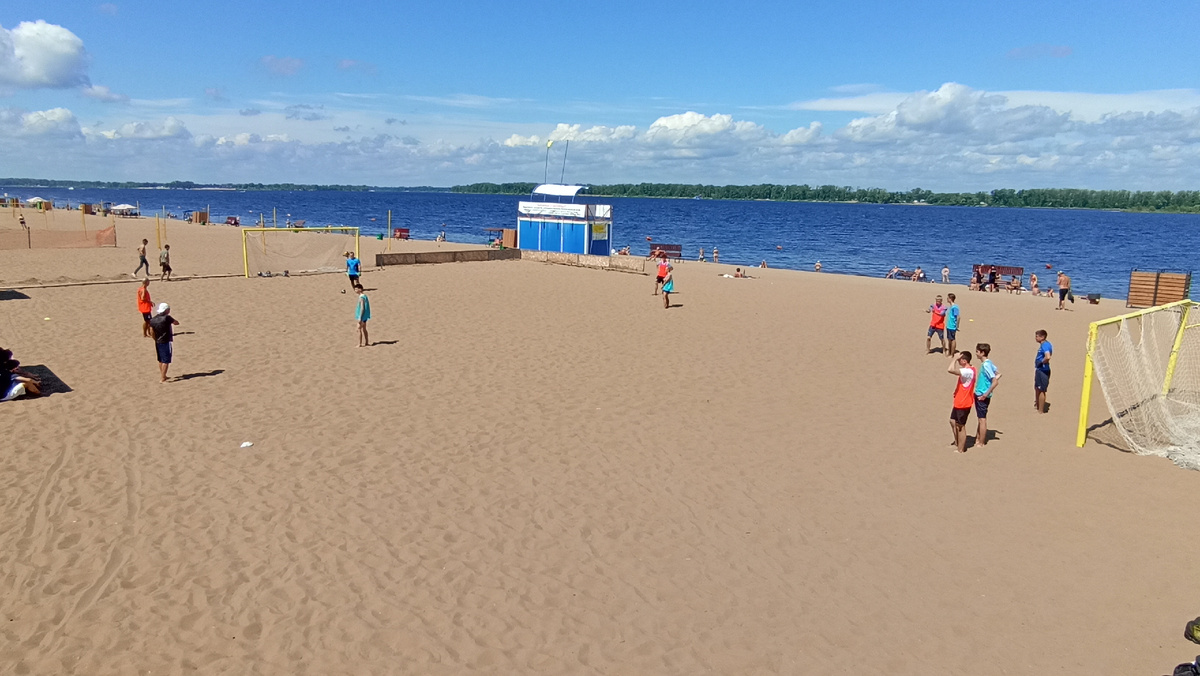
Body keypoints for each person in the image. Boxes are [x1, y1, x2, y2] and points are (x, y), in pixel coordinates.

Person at [947, 351, 977, 453]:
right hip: (959, 401)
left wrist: (954, 359)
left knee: (961, 426)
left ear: (964, 361)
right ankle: (957, 442)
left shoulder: (968, 371)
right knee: (952, 421)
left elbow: (950, 370)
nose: (958, 361)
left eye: (960, 360)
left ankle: (961, 449)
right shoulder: (970, 369)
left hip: (963, 403)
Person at [974, 343, 1002, 446]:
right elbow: (998, 374)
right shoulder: (989, 363)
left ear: (982, 353)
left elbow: (995, 381)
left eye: (977, 351)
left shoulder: (986, 365)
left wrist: (985, 393)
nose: (976, 353)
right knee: (980, 418)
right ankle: (978, 438)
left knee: (982, 419)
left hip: (982, 395)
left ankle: (981, 442)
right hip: (981, 394)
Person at [148, 302, 180, 383]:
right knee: (166, 360)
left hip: (158, 341)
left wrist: (155, 338)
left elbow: (151, 331)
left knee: (161, 360)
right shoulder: (167, 318)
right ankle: (162, 378)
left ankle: (163, 375)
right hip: (165, 341)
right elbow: (176, 323)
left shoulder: (153, 319)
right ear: (166, 310)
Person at [1034, 329, 1052, 413]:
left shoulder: (1045, 345)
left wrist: (1041, 362)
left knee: (1041, 389)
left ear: (1042, 337)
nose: (1035, 338)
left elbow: (1048, 356)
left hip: (1042, 370)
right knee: (1037, 388)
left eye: (1037, 336)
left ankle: (1040, 410)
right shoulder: (1045, 345)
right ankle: (1038, 406)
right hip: (1039, 370)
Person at [355, 283, 371, 347]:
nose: (355, 290)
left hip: (362, 316)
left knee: (358, 329)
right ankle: (366, 342)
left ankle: (359, 343)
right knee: (364, 329)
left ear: (360, 289)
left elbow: (362, 308)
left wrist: (360, 318)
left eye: (356, 289)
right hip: (365, 316)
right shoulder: (364, 296)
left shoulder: (361, 297)